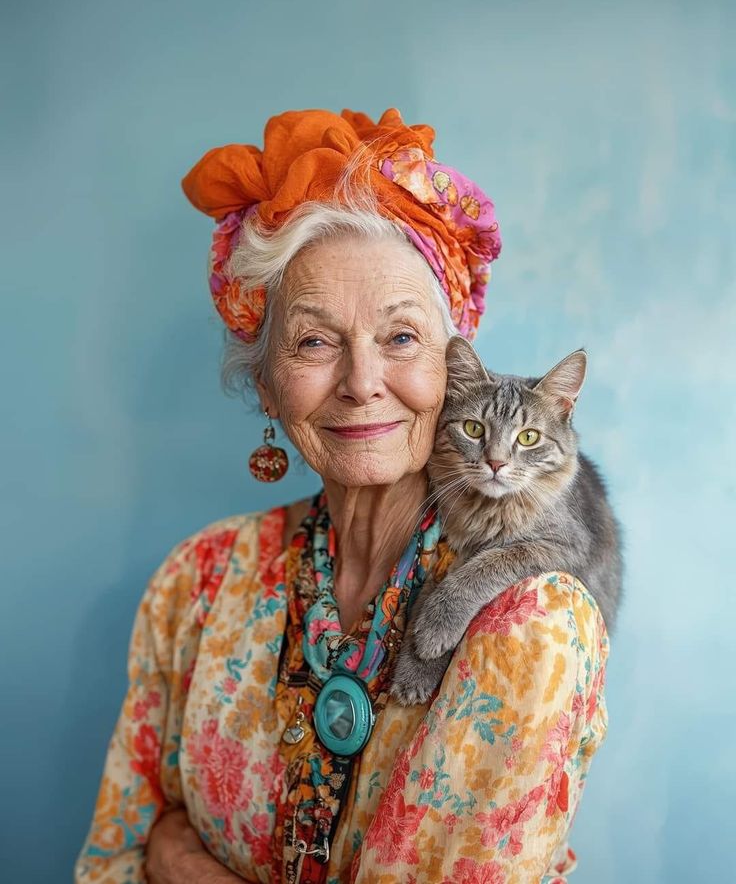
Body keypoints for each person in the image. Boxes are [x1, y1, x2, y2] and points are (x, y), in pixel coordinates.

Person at [75, 108, 609, 884]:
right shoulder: (196, 580)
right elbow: (107, 865)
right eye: (315, 341)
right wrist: (144, 856)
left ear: (453, 373)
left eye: (400, 338)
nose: (363, 385)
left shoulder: (531, 617)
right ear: (267, 384)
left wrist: (181, 862)